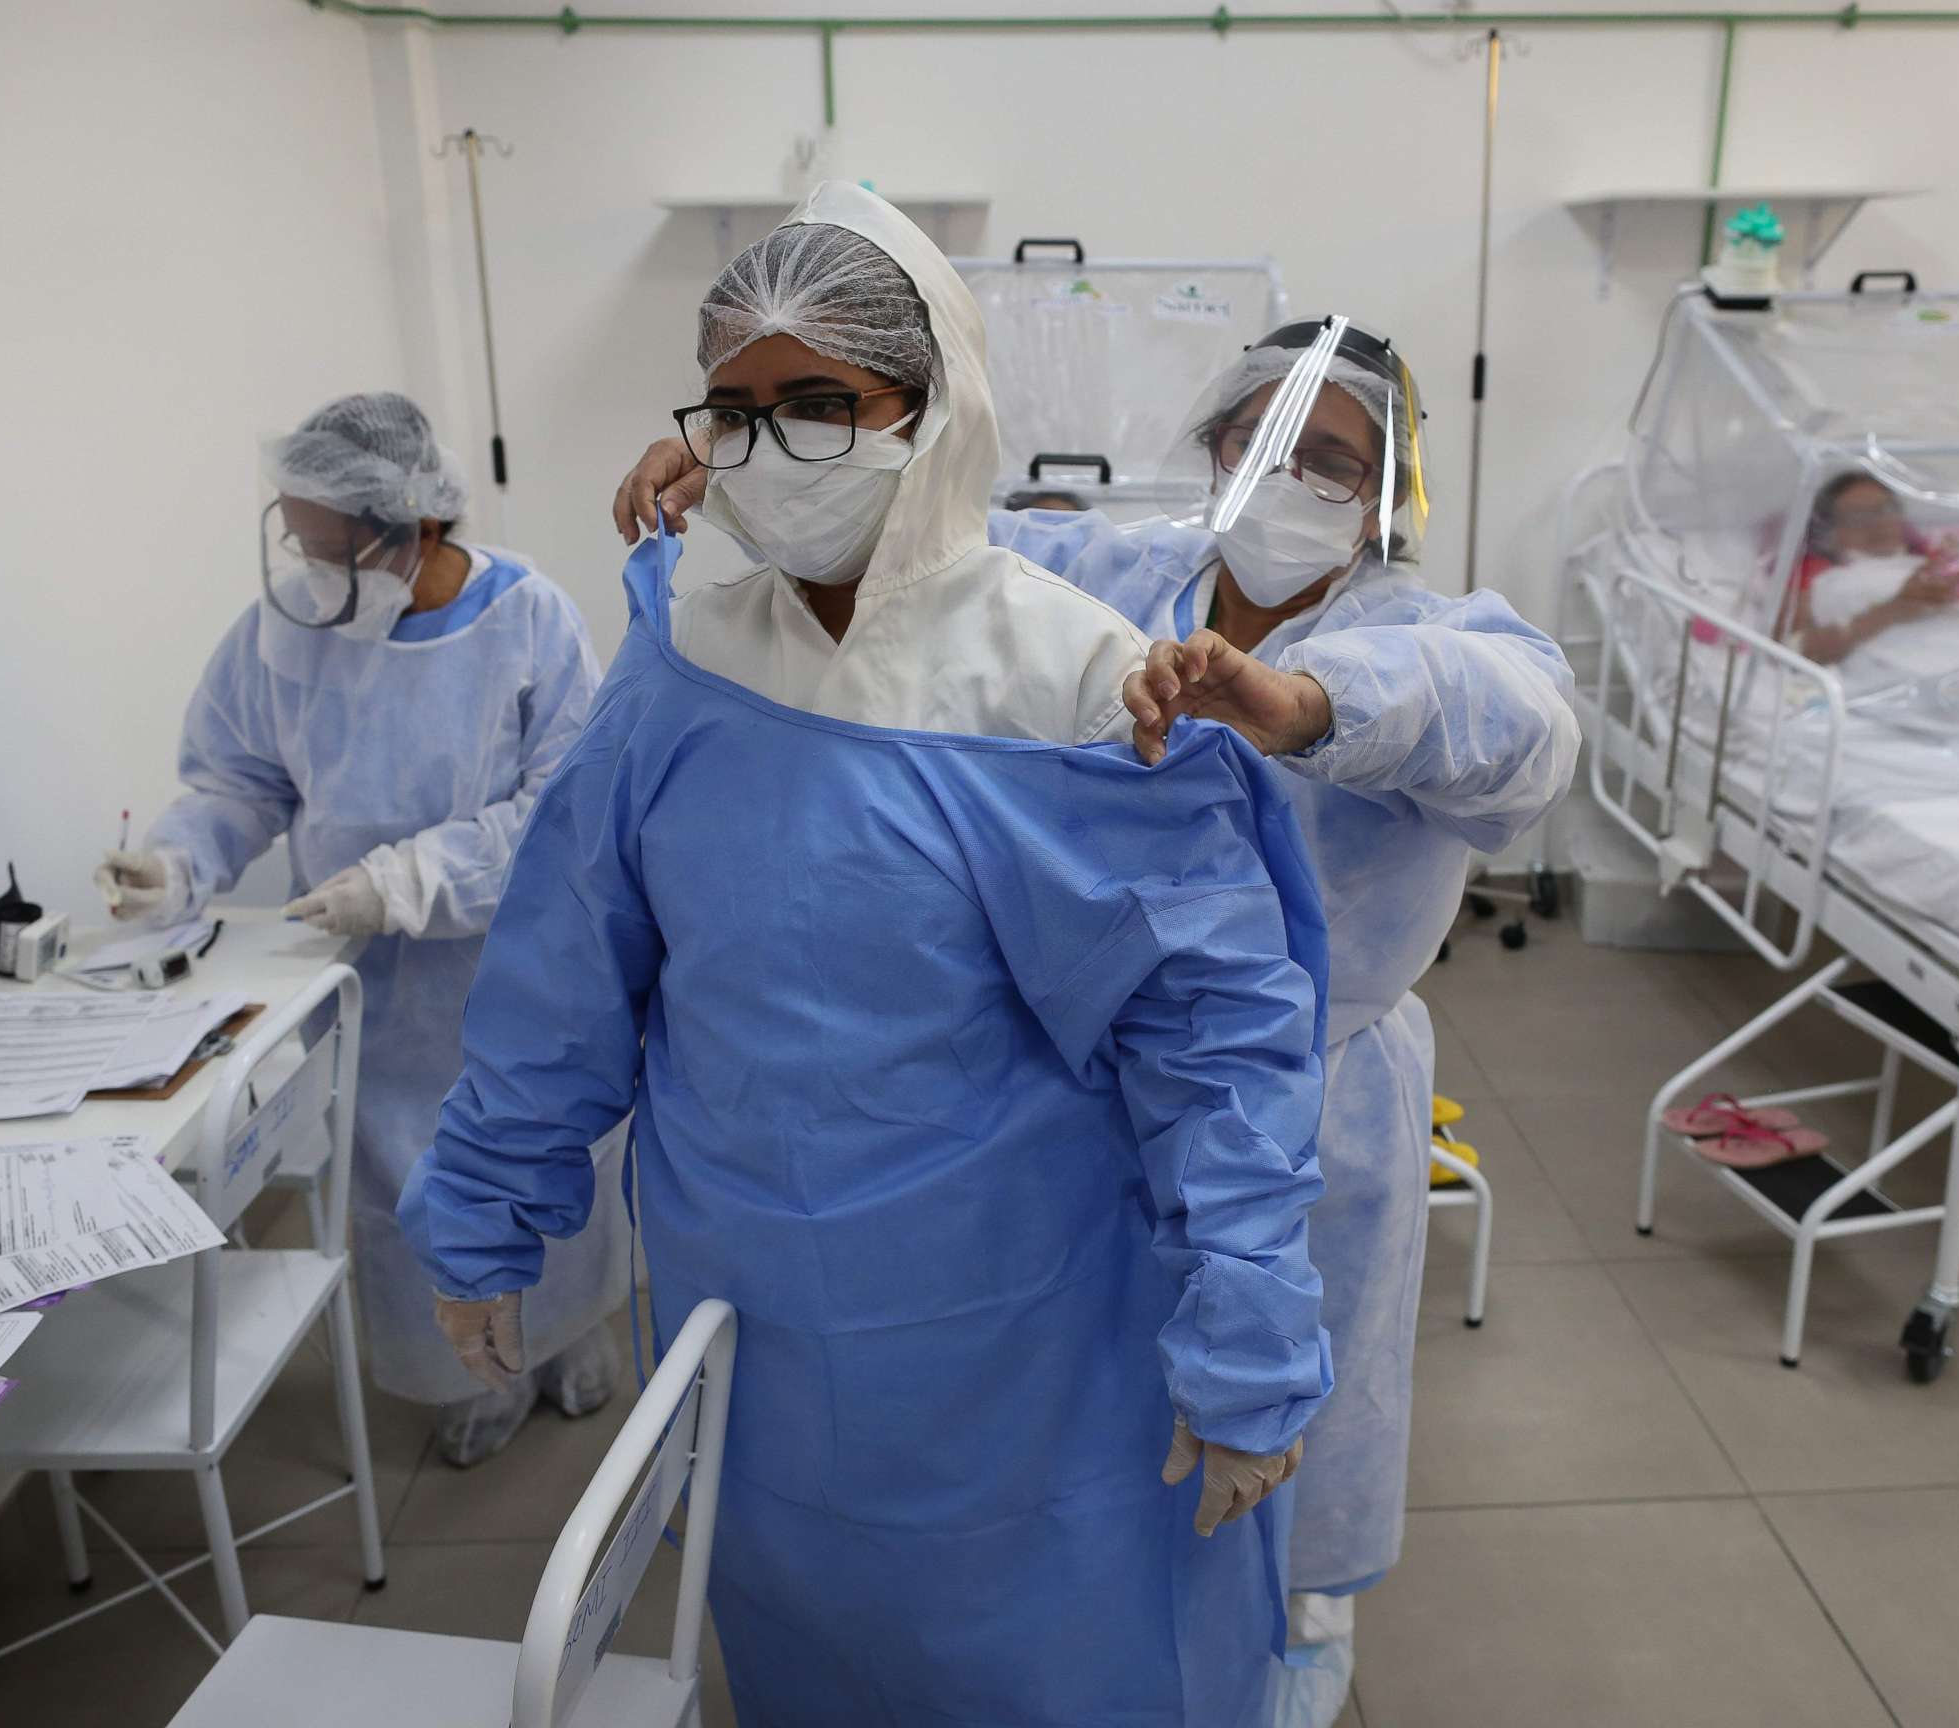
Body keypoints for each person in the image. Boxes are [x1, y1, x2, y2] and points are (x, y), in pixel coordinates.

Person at [400, 184, 1335, 1727]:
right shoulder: (687, 661)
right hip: (743, 1316)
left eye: (821, 405)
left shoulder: (1073, 684)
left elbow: (1216, 1042)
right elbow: (570, 958)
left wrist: (1246, 1322)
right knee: (802, 1654)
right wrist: (492, 1201)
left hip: (1017, 1334)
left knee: (1052, 1668)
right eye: (736, 412)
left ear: (936, 407)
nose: (768, 451)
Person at [614, 316, 1580, 1728]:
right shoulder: (1126, 575)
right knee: (1123, 1409)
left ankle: (1299, 1630)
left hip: (1315, 1095)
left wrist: (1305, 705)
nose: (1288, 477)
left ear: (1389, 496)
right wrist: (754, 470)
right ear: (1212, 449)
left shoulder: (1424, 636)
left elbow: (1522, 727)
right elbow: (942, 544)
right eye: (1261, 444)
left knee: (1292, 1405)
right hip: (1095, 1087)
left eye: (1331, 459)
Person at [95, 393, 631, 1467]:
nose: (308, 566)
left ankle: (570, 1334)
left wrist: (410, 880)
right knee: (403, 1179)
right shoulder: (285, 634)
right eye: (297, 538)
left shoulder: (528, 622)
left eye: (331, 547)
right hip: (378, 993)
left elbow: (566, 810)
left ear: (413, 527)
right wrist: (179, 862)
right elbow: (239, 780)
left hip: (521, 968)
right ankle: (466, 1376)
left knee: (545, 1162)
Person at [1789, 470, 1959, 679]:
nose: (1878, 523)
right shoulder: (1823, 585)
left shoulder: (1936, 568)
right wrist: (1896, 608)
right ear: (1830, 530)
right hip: (1907, 687)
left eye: (1885, 510)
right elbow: (1795, 656)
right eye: (1859, 516)